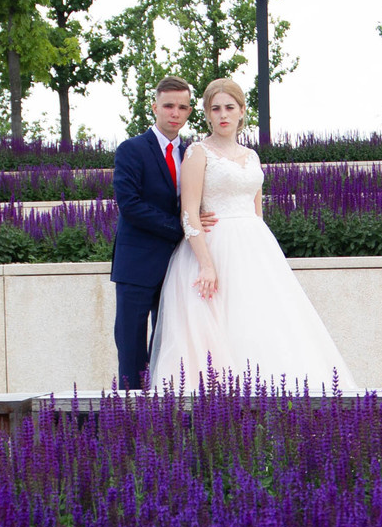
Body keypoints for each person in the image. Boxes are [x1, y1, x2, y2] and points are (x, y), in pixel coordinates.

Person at [148, 76, 350, 391]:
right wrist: (206, 264)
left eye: (230, 107)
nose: (223, 115)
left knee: (261, 323)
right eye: (215, 109)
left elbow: (257, 211)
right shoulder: (198, 153)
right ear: (207, 114)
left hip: (254, 249)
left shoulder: (252, 156)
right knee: (220, 327)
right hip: (214, 247)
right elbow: (189, 213)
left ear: (242, 111)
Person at [109, 77, 216, 390]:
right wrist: (183, 226)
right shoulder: (131, 150)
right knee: (131, 347)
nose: (175, 113)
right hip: (137, 266)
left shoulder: (194, 154)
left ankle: (161, 415)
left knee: (169, 343)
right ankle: (129, 417)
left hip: (178, 264)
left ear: (189, 112)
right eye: (168, 105)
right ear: (154, 107)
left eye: (182, 107)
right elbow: (130, 205)